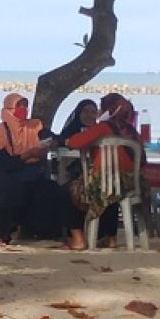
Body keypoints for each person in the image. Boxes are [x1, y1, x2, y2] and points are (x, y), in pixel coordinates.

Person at [62, 92, 144, 249]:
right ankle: (110, 238)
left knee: (66, 191)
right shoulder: (132, 131)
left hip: (105, 184)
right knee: (113, 192)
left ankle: (78, 239)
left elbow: (74, 142)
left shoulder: (103, 127)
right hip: (131, 185)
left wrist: (66, 140)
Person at [0, 92, 59, 246]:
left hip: (31, 172)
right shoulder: (2, 130)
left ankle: (44, 232)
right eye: (19, 106)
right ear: (9, 108)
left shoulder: (34, 125)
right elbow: (0, 162)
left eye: (25, 105)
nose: (23, 109)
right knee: (10, 193)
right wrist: (28, 154)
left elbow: (51, 137)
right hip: (4, 173)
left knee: (52, 191)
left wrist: (51, 143)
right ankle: (0, 235)